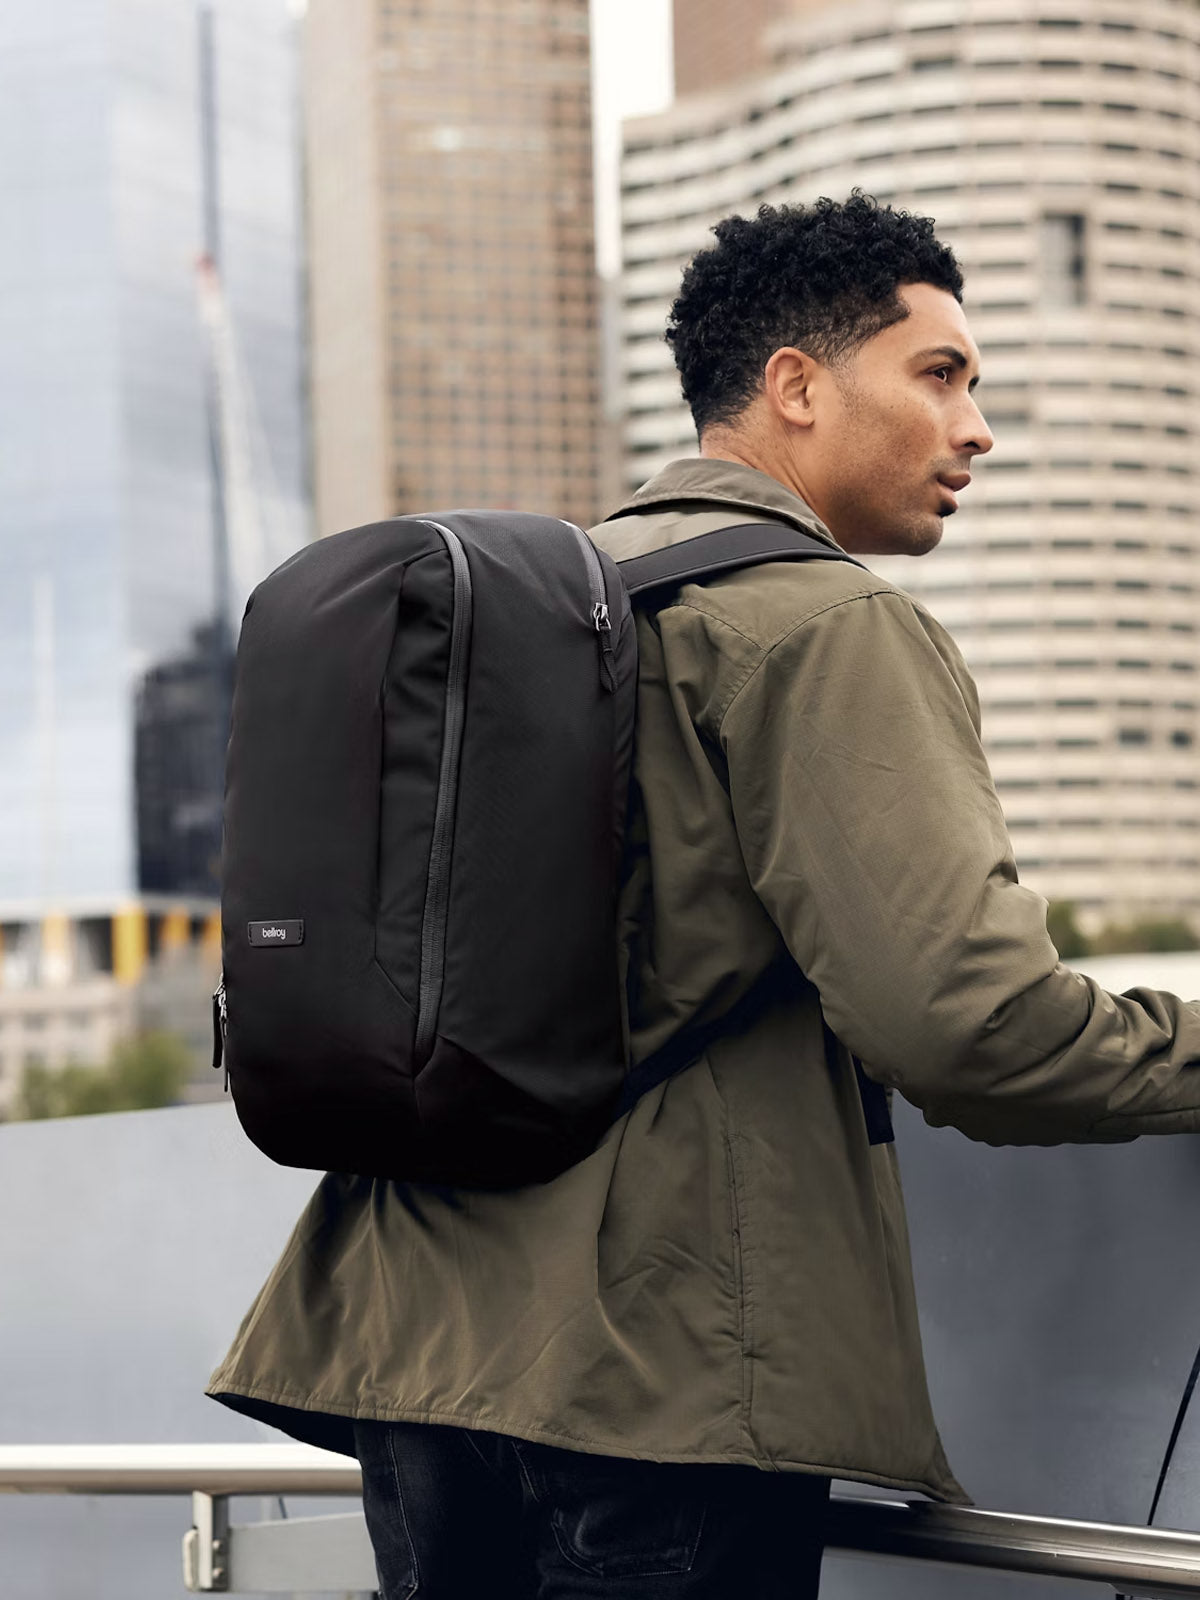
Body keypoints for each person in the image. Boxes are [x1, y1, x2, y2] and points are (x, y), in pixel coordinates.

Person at [208, 193, 1200, 1599]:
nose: (976, 428)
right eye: (940, 374)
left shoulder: (549, 609)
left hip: (408, 1340)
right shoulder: (826, 625)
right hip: (660, 1369)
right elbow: (971, 1029)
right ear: (796, 386)